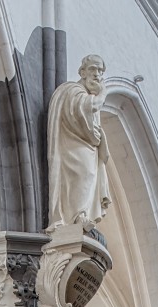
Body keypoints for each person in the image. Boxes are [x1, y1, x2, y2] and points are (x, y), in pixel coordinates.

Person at [47, 55, 111, 231]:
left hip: (87, 147)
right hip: (72, 147)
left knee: (89, 177)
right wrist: (103, 93)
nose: (97, 74)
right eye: (92, 69)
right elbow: (88, 107)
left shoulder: (87, 95)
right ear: (82, 72)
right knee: (83, 175)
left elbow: (92, 124)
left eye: (100, 71)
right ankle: (76, 217)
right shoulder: (73, 91)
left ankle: (82, 216)